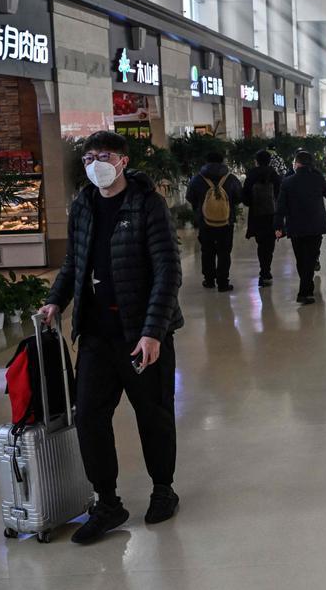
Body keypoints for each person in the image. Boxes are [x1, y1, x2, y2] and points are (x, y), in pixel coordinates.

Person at [38, 130, 184, 544]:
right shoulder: (83, 205)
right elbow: (74, 263)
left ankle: (163, 489)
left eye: (103, 156)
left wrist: (154, 332)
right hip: (97, 335)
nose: (94, 164)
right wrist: (55, 302)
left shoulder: (148, 205)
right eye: (88, 157)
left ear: (122, 161)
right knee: (89, 417)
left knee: (153, 413)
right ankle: (107, 502)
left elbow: (167, 271)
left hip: (141, 336)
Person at [275, 151, 326, 305]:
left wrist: (278, 227)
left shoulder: (288, 182)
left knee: (301, 259)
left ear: (297, 164)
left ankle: (305, 291)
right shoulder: (317, 179)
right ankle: (306, 290)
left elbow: (281, 207)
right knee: (310, 258)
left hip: (296, 226)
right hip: (316, 225)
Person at [185, 151, 242, 292]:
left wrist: (200, 207)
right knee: (224, 251)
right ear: (222, 161)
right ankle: (223, 282)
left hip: (205, 222)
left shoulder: (198, 179)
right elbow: (239, 197)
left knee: (207, 251)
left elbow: (190, 197)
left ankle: (209, 280)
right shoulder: (230, 178)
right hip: (226, 221)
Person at [242, 149, 282, 287]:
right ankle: (267, 271)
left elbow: (245, 199)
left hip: (257, 215)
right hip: (272, 215)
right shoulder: (275, 175)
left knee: (261, 244)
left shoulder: (251, 175)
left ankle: (263, 271)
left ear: (256, 161)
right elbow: (280, 195)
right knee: (269, 244)